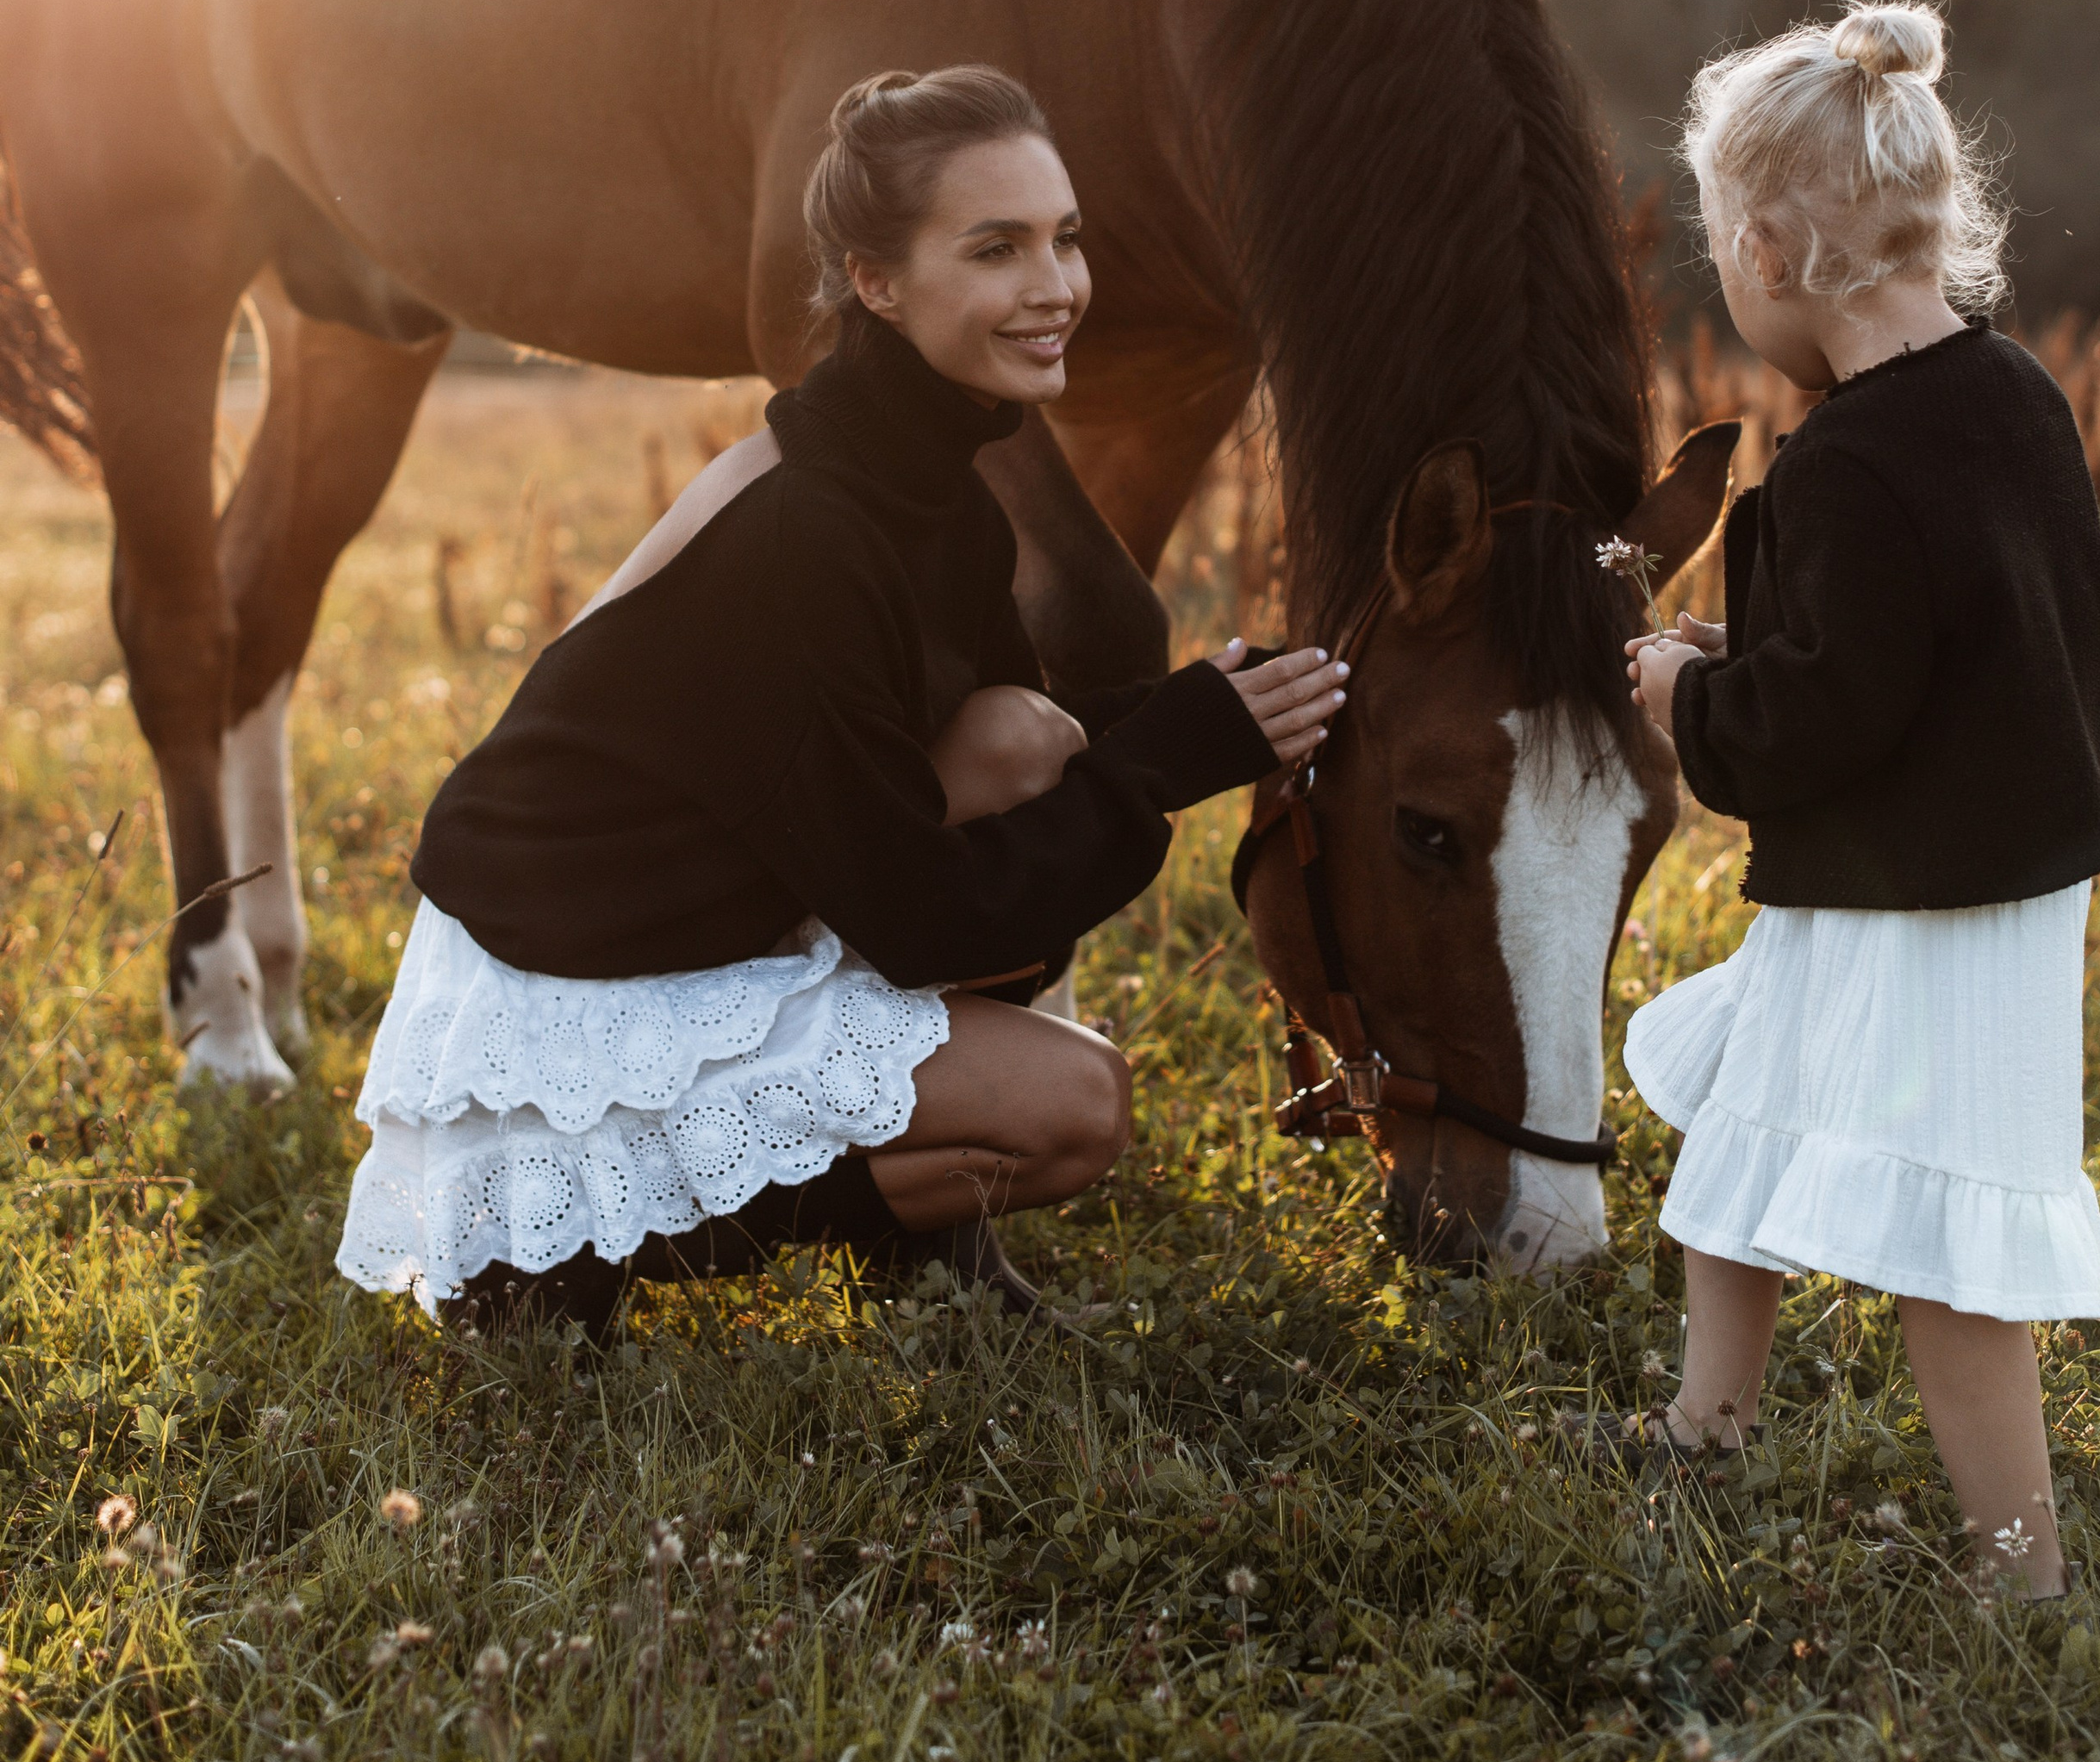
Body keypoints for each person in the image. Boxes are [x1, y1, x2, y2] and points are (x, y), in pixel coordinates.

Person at [335, 65, 1344, 1333]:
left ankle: (862, 1236)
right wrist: (1162, 764)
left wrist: (1222, 702)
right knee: (1074, 1109)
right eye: (996, 248)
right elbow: (928, 914)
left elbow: (1013, 751)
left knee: (1025, 731)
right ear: (876, 279)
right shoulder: (807, 528)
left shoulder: (923, 481)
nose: (1056, 287)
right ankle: (561, 1251)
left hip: (700, 906)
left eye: (1065, 238)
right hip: (566, 986)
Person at [1617, 0, 2100, 1597]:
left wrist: (1692, 693)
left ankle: (2022, 1565)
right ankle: (1707, 1418)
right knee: (1742, 1122)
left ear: (1766, 253)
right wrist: (1750, 647)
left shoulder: (1846, 461)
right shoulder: (2017, 397)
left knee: (1954, 1252)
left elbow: (1817, 719)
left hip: (1921, 899)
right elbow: (1956, 644)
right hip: (1994, 873)